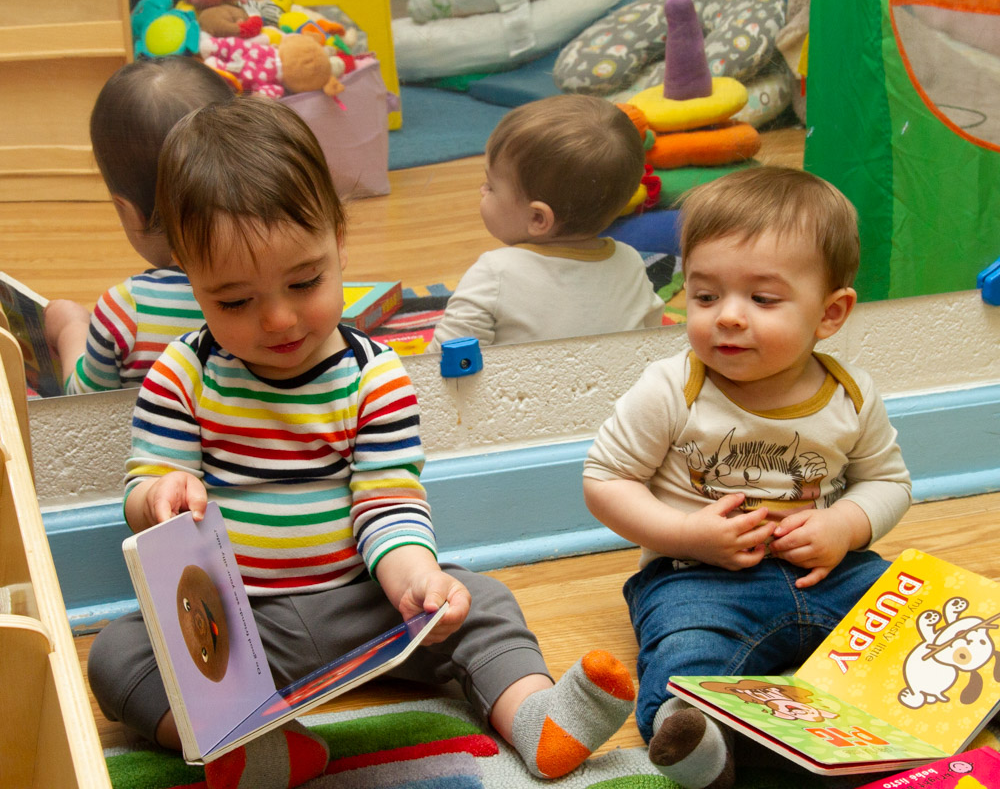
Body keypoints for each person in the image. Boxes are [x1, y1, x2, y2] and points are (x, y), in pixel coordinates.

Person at [87, 96, 636, 789]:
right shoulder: (180, 377)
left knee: (481, 601)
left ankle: (537, 718)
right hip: (238, 629)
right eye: (234, 301)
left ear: (339, 240)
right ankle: (253, 743)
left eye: (305, 281)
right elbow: (145, 490)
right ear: (190, 282)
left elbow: (388, 502)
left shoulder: (373, 375)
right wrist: (158, 496)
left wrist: (415, 581)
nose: (280, 318)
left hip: (365, 602)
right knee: (118, 653)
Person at [582, 166, 912, 789]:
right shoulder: (672, 388)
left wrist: (844, 525)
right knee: (685, 654)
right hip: (698, 579)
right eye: (705, 296)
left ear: (830, 313)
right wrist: (686, 534)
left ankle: (942, 708)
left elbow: (888, 483)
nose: (727, 317)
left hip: (833, 572)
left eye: (762, 299)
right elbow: (606, 478)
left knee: (922, 618)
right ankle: (699, 742)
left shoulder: (851, 394)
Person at [44, 57, 234, 394]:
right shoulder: (279, 282)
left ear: (129, 212)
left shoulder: (126, 310)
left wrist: (70, 328)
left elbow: (85, 408)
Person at [427, 93, 664, 352]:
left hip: (522, 393)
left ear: (538, 218)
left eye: (491, 186)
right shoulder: (630, 262)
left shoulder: (494, 274)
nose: (482, 191)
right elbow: (650, 342)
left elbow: (443, 364)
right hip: (621, 392)